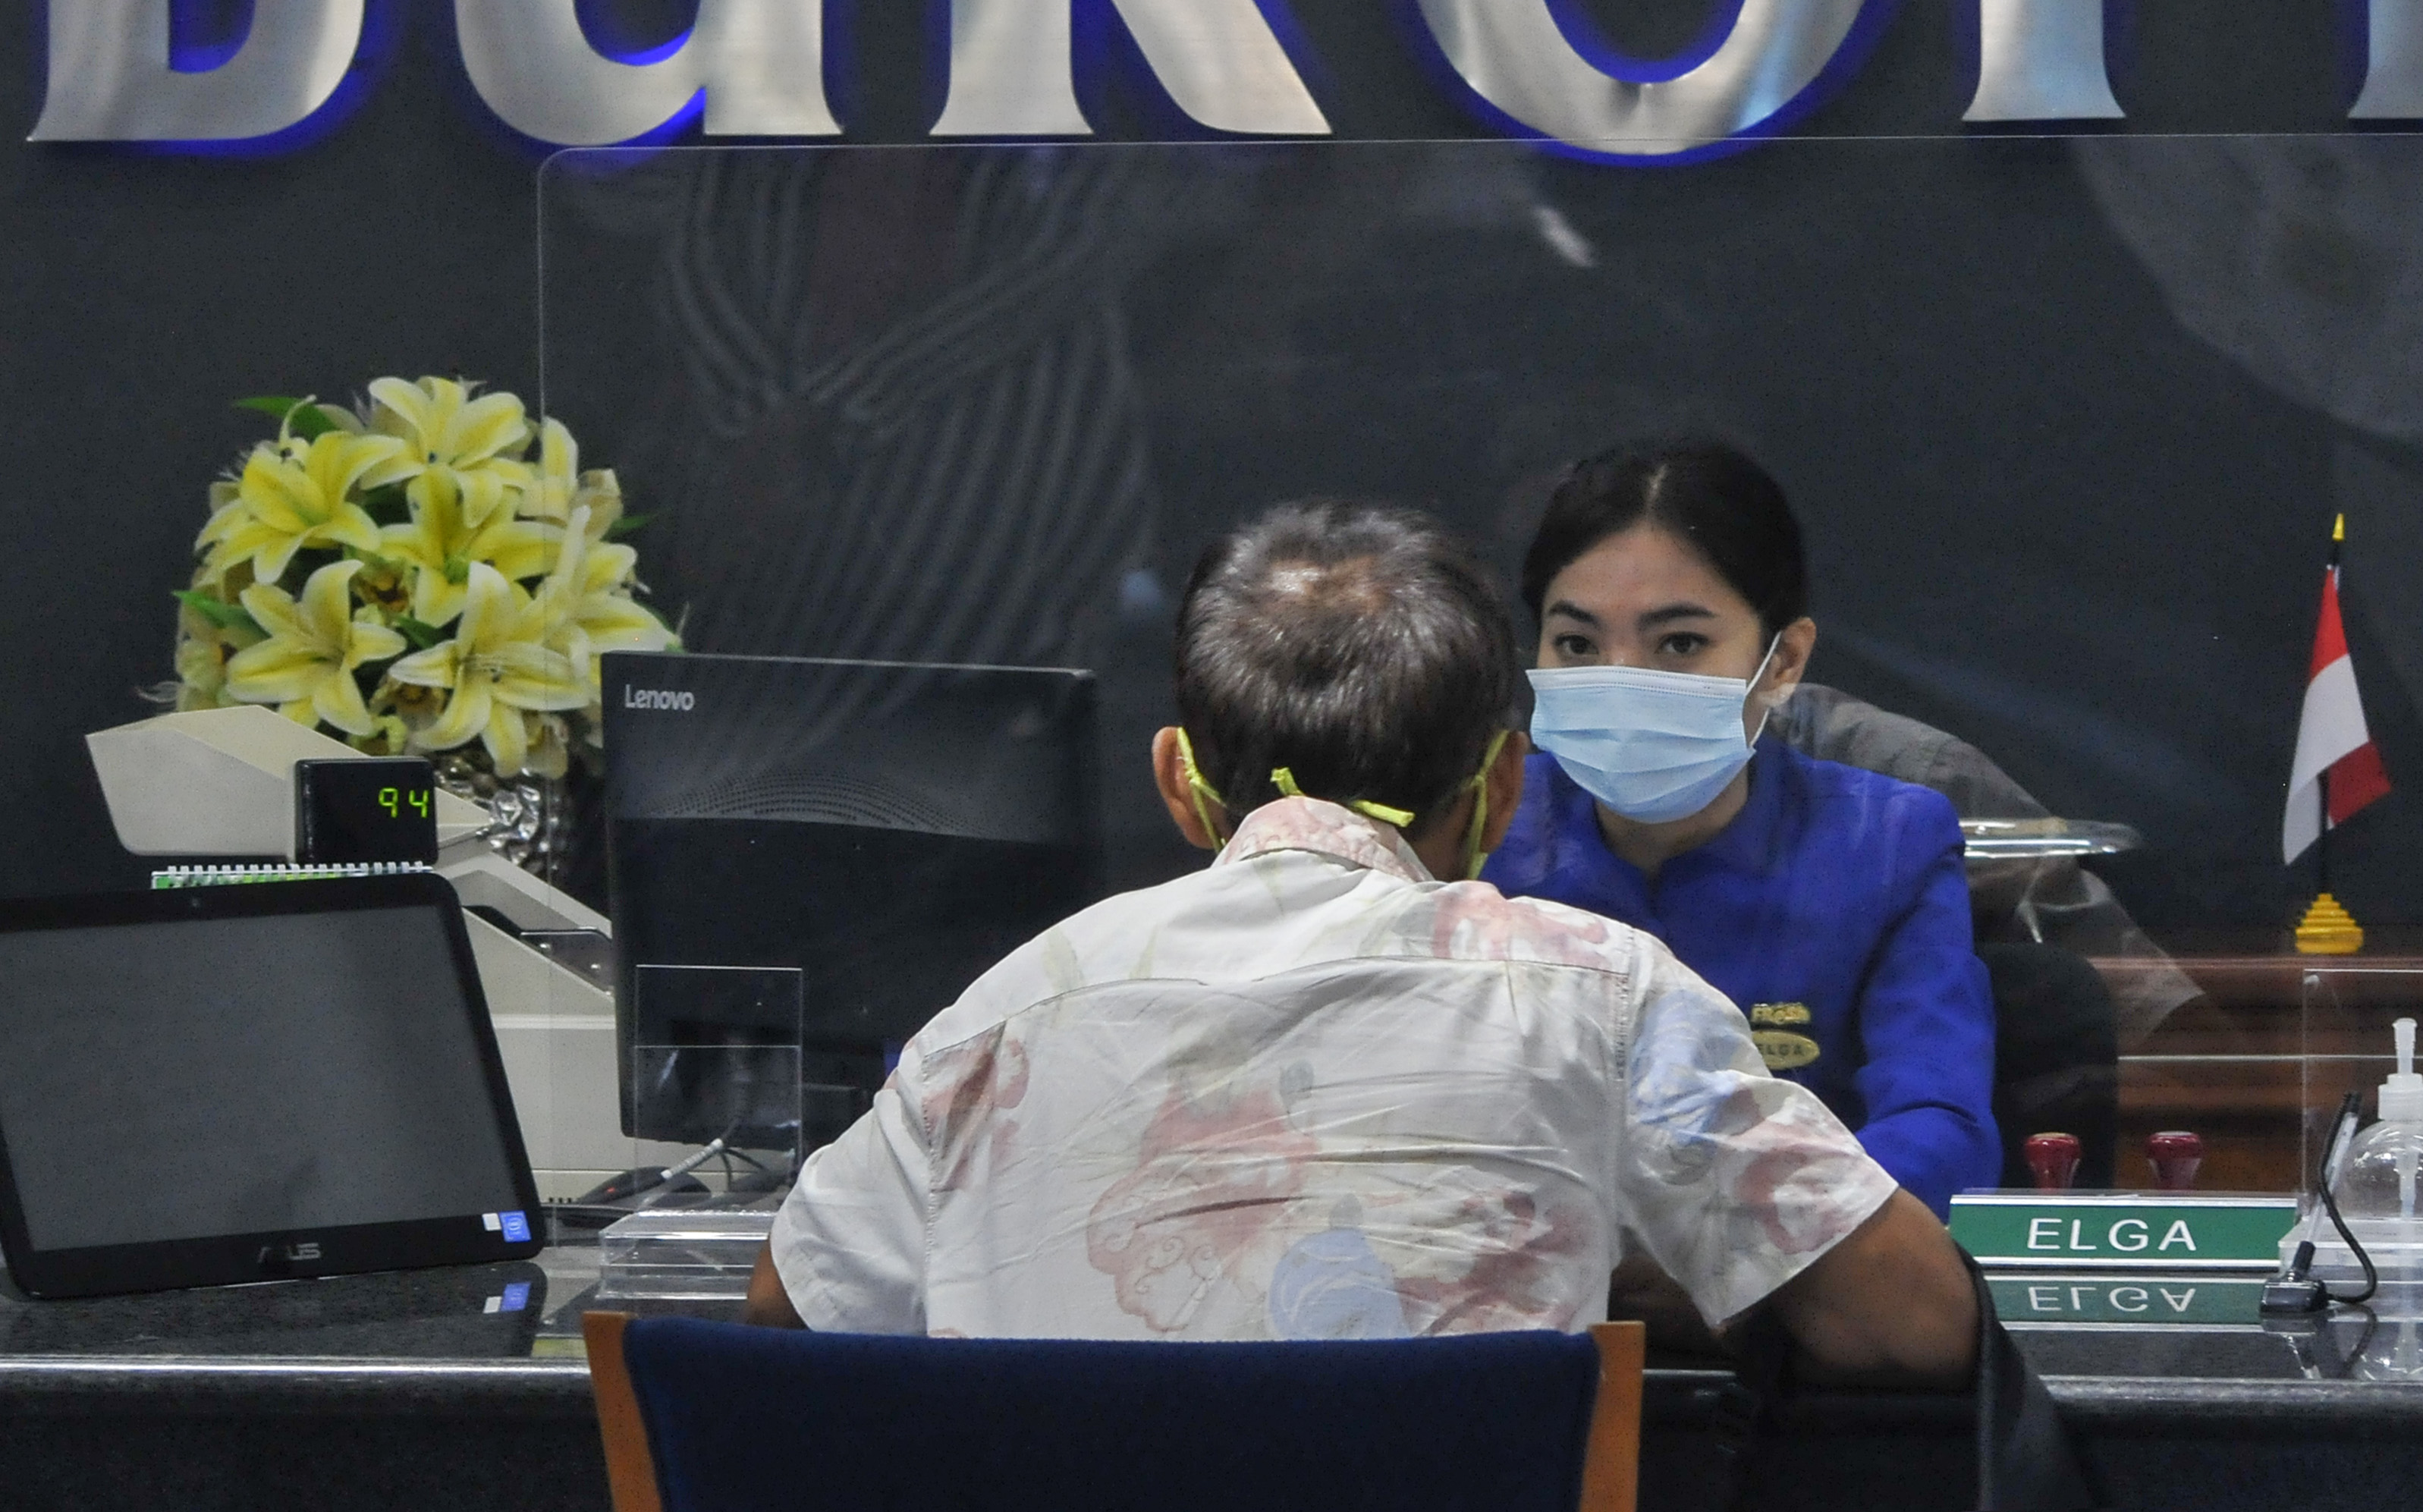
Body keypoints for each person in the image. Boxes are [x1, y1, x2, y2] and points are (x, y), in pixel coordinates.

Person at [747, 498, 1975, 1382]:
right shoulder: (1601, 995)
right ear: (1501, 790)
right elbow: (1917, 1322)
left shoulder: (999, 1015)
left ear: (1179, 784)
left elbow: (784, 1316)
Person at [1484, 441, 1999, 1213]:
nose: (1622, 677)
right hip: (1530, 1284)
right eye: (1579, 643)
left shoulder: (1887, 841)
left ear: (1784, 660)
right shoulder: (1476, 832)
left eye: (1680, 643)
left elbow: (1940, 1125)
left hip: (1790, 1298)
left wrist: (1748, 1241)